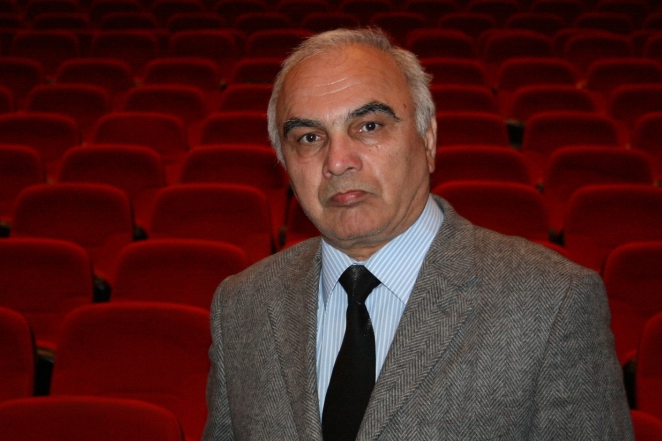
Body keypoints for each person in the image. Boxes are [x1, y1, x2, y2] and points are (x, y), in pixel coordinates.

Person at [202, 28, 633, 441]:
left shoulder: (551, 301)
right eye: (309, 137)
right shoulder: (241, 305)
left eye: (369, 126)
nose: (337, 161)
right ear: (285, 164)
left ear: (428, 140)